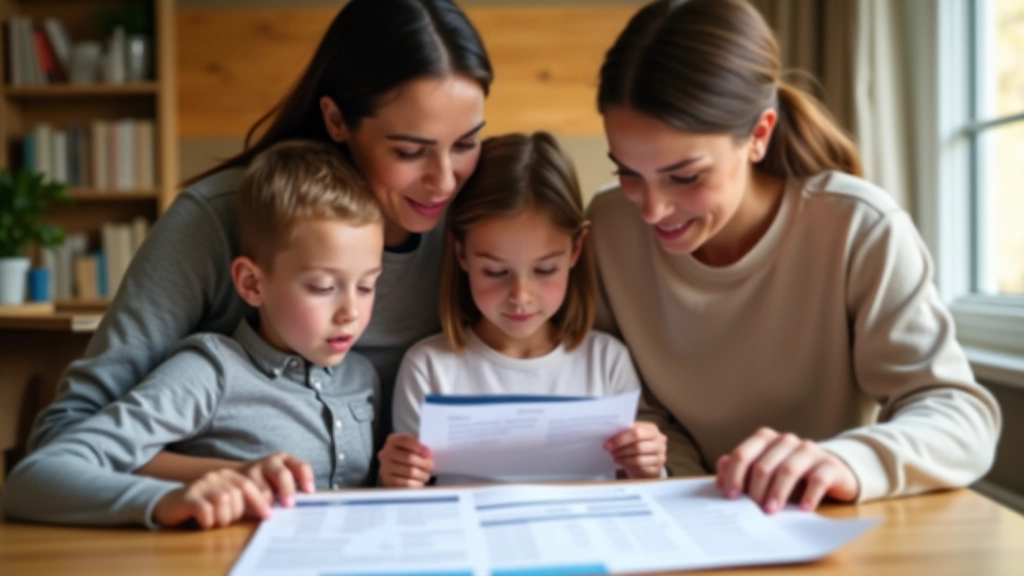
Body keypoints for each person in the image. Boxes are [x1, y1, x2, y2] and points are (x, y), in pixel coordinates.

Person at [27, 0, 492, 483]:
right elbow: (65, 439)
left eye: (465, 143)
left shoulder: (475, 228)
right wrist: (238, 477)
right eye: (410, 151)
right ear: (336, 120)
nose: (443, 182)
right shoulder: (217, 218)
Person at [589, 0, 1001, 513]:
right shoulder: (607, 228)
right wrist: (697, 487)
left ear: (758, 136)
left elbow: (960, 416)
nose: (652, 209)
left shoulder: (858, 226)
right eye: (626, 171)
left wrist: (849, 461)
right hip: (678, 516)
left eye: (685, 176)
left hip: (819, 521)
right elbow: (631, 403)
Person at [2, 141, 383, 529]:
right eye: (322, 287)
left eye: (367, 286)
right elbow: (33, 478)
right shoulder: (209, 372)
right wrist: (166, 498)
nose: (351, 312)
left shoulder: (363, 378)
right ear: (252, 283)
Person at [379, 132, 667, 487]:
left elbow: (641, 492)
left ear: (576, 250)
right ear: (461, 254)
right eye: (496, 272)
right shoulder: (429, 368)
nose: (520, 296)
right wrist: (396, 477)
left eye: (545, 270)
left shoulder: (607, 362)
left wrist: (648, 466)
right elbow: (408, 505)